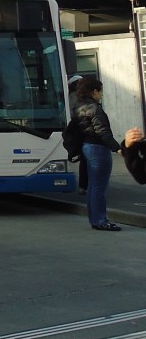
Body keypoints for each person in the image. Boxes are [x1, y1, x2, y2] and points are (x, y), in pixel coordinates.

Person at [72, 77, 131, 231]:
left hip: (87, 147)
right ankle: (101, 220)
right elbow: (103, 132)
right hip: (98, 148)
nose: (102, 95)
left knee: (93, 186)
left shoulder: (78, 106)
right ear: (94, 91)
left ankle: (95, 219)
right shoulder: (95, 109)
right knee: (99, 187)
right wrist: (118, 149)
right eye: (101, 91)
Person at [67, 73, 88, 193]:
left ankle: (83, 186)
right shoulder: (80, 98)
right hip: (82, 130)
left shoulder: (69, 97)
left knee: (84, 159)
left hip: (75, 129)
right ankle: (84, 186)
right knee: (85, 159)